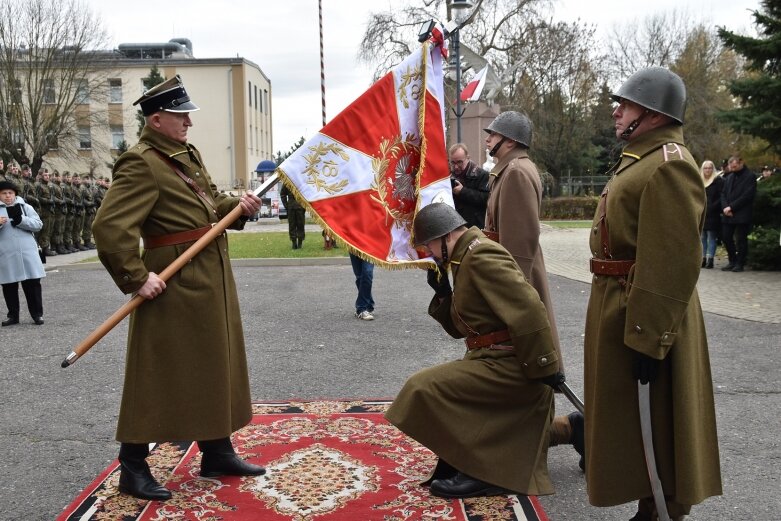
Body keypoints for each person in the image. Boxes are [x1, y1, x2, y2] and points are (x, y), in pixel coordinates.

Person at [92, 75, 265, 502]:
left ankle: (216, 449)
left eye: (187, 113)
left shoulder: (185, 153)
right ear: (156, 119)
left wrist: (236, 207)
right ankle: (132, 466)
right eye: (179, 114)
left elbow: (207, 208)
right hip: (173, 283)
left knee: (212, 366)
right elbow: (109, 228)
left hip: (210, 276)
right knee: (159, 375)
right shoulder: (141, 162)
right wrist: (135, 276)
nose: (188, 120)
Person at [586, 66, 722, 520]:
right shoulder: (642, 159)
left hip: (644, 308)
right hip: (622, 300)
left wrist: (648, 335)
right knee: (633, 417)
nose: (616, 111)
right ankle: (651, 503)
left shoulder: (669, 165)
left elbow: (671, 261)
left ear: (650, 113)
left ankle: (664, 509)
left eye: (624, 105)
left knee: (660, 417)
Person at [386, 203, 558, 499]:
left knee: (423, 388)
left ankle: (482, 473)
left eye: (429, 244)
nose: (427, 251)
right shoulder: (463, 258)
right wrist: (443, 295)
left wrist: (545, 365)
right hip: (489, 357)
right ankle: (568, 430)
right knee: (447, 391)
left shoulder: (480, 255)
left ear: (447, 236)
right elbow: (460, 329)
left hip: (510, 363)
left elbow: (528, 308)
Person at [482, 110, 582, 461]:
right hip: (507, 275)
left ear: (510, 141)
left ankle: (563, 432)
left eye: (493, 134)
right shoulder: (508, 171)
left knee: (524, 362)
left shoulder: (518, 173)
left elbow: (520, 246)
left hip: (515, 279)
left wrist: (511, 298)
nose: (488, 138)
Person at [0, 180, 45, 326]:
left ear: (15, 194)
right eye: (4, 193)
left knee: (32, 285)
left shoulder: (26, 207)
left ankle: (37, 315)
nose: (8, 196)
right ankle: (13, 316)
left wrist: (21, 220)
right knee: (9, 286)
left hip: (27, 253)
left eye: (10, 193)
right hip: (6, 254)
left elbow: (38, 225)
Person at [720, 155, 756, 272]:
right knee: (726, 237)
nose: (733, 168)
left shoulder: (750, 177)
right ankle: (732, 260)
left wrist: (732, 207)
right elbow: (723, 194)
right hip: (728, 213)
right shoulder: (729, 177)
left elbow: (747, 196)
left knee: (741, 239)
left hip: (742, 213)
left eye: (735, 166)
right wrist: (725, 207)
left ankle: (740, 263)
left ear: (741, 163)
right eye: (731, 166)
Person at [448, 143, 490, 229]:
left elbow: (486, 199)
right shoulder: (448, 176)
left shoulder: (482, 175)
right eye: (453, 162)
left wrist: (463, 191)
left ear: (468, 158)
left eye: (459, 162)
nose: (456, 167)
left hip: (475, 227)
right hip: (455, 225)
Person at [700, 160, 723, 269]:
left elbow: (720, 197)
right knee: (702, 237)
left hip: (713, 213)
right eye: (705, 168)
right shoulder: (700, 181)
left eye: (709, 168)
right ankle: (703, 258)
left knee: (711, 237)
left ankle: (710, 259)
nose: (707, 170)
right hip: (702, 212)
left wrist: (712, 207)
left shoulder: (718, 181)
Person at [349, 252, 375, 320]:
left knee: (367, 273)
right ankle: (368, 305)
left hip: (370, 246)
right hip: (354, 245)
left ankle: (361, 308)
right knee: (360, 277)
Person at [280, 182, 305, 249]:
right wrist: (286, 206)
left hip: (300, 206)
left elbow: (307, 192)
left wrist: (304, 206)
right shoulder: (287, 180)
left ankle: (300, 242)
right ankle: (294, 242)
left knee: (301, 224)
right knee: (292, 225)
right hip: (291, 207)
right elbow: (282, 194)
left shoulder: (300, 180)